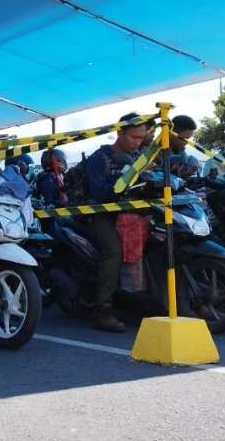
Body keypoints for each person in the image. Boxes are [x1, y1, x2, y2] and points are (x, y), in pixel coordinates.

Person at [83, 114, 149, 333]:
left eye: (141, 138)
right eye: (133, 137)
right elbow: (99, 193)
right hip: (102, 215)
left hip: (133, 214)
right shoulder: (99, 158)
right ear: (120, 133)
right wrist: (123, 177)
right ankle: (102, 309)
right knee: (113, 252)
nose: (137, 142)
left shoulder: (140, 157)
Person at [160, 115, 201, 179]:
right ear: (172, 133)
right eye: (185, 138)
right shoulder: (154, 152)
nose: (187, 142)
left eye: (188, 139)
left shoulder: (179, 150)